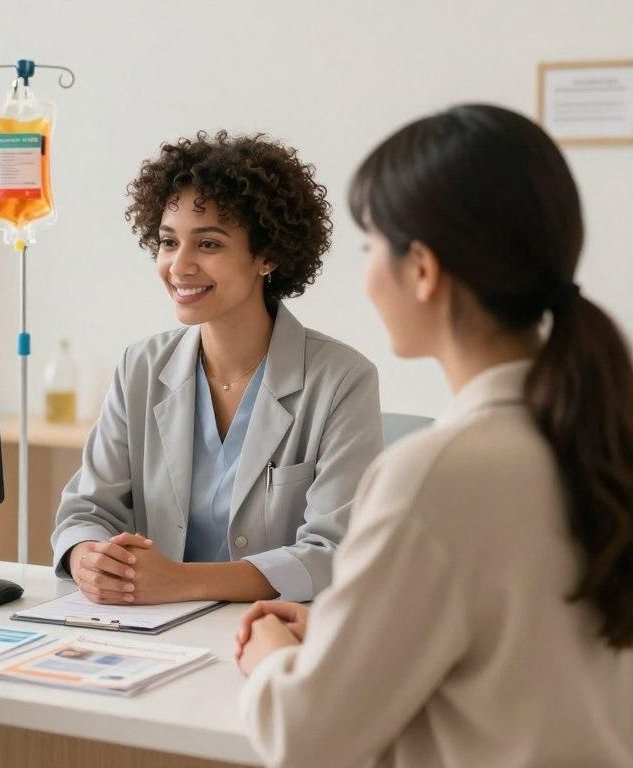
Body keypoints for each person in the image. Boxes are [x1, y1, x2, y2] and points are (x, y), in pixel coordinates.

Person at [235, 104, 633, 766]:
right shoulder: (597, 432)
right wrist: (349, 636)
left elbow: (304, 738)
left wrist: (273, 657)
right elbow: (523, 657)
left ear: (421, 268)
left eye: (369, 248)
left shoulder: (435, 473)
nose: (364, 275)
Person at [51, 131, 383, 605]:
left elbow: (333, 551)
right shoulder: (140, 366)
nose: (179, 266)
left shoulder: (342, 380)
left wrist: (179, 582)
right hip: (148, 629)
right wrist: (88, 556)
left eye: (208, 244)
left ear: (267, 256)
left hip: (273, 633)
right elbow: (87, 508)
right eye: (168, 242)